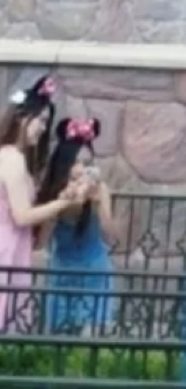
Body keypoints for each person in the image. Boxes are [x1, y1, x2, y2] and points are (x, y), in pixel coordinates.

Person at [0, 75, 86, 335]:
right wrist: (61, 202)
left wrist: (56, 206)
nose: (43, 128)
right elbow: (22, 216)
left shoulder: (18, 159)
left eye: (46, 122)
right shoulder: (12, 159)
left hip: (15, 248)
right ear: (22, 118)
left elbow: (33, 234)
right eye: (41, 120)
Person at [39, 115, 115, 335]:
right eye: (77, 162)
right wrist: (59, 205)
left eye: (88, 163)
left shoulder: (99, 189)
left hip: (94, 270)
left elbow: (111, 237)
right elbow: (40, 243)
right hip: (63, 271)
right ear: (66, 163)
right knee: (60, 336)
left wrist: (99, 206)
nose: (82, 169)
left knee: (92, 337)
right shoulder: (56, 191)